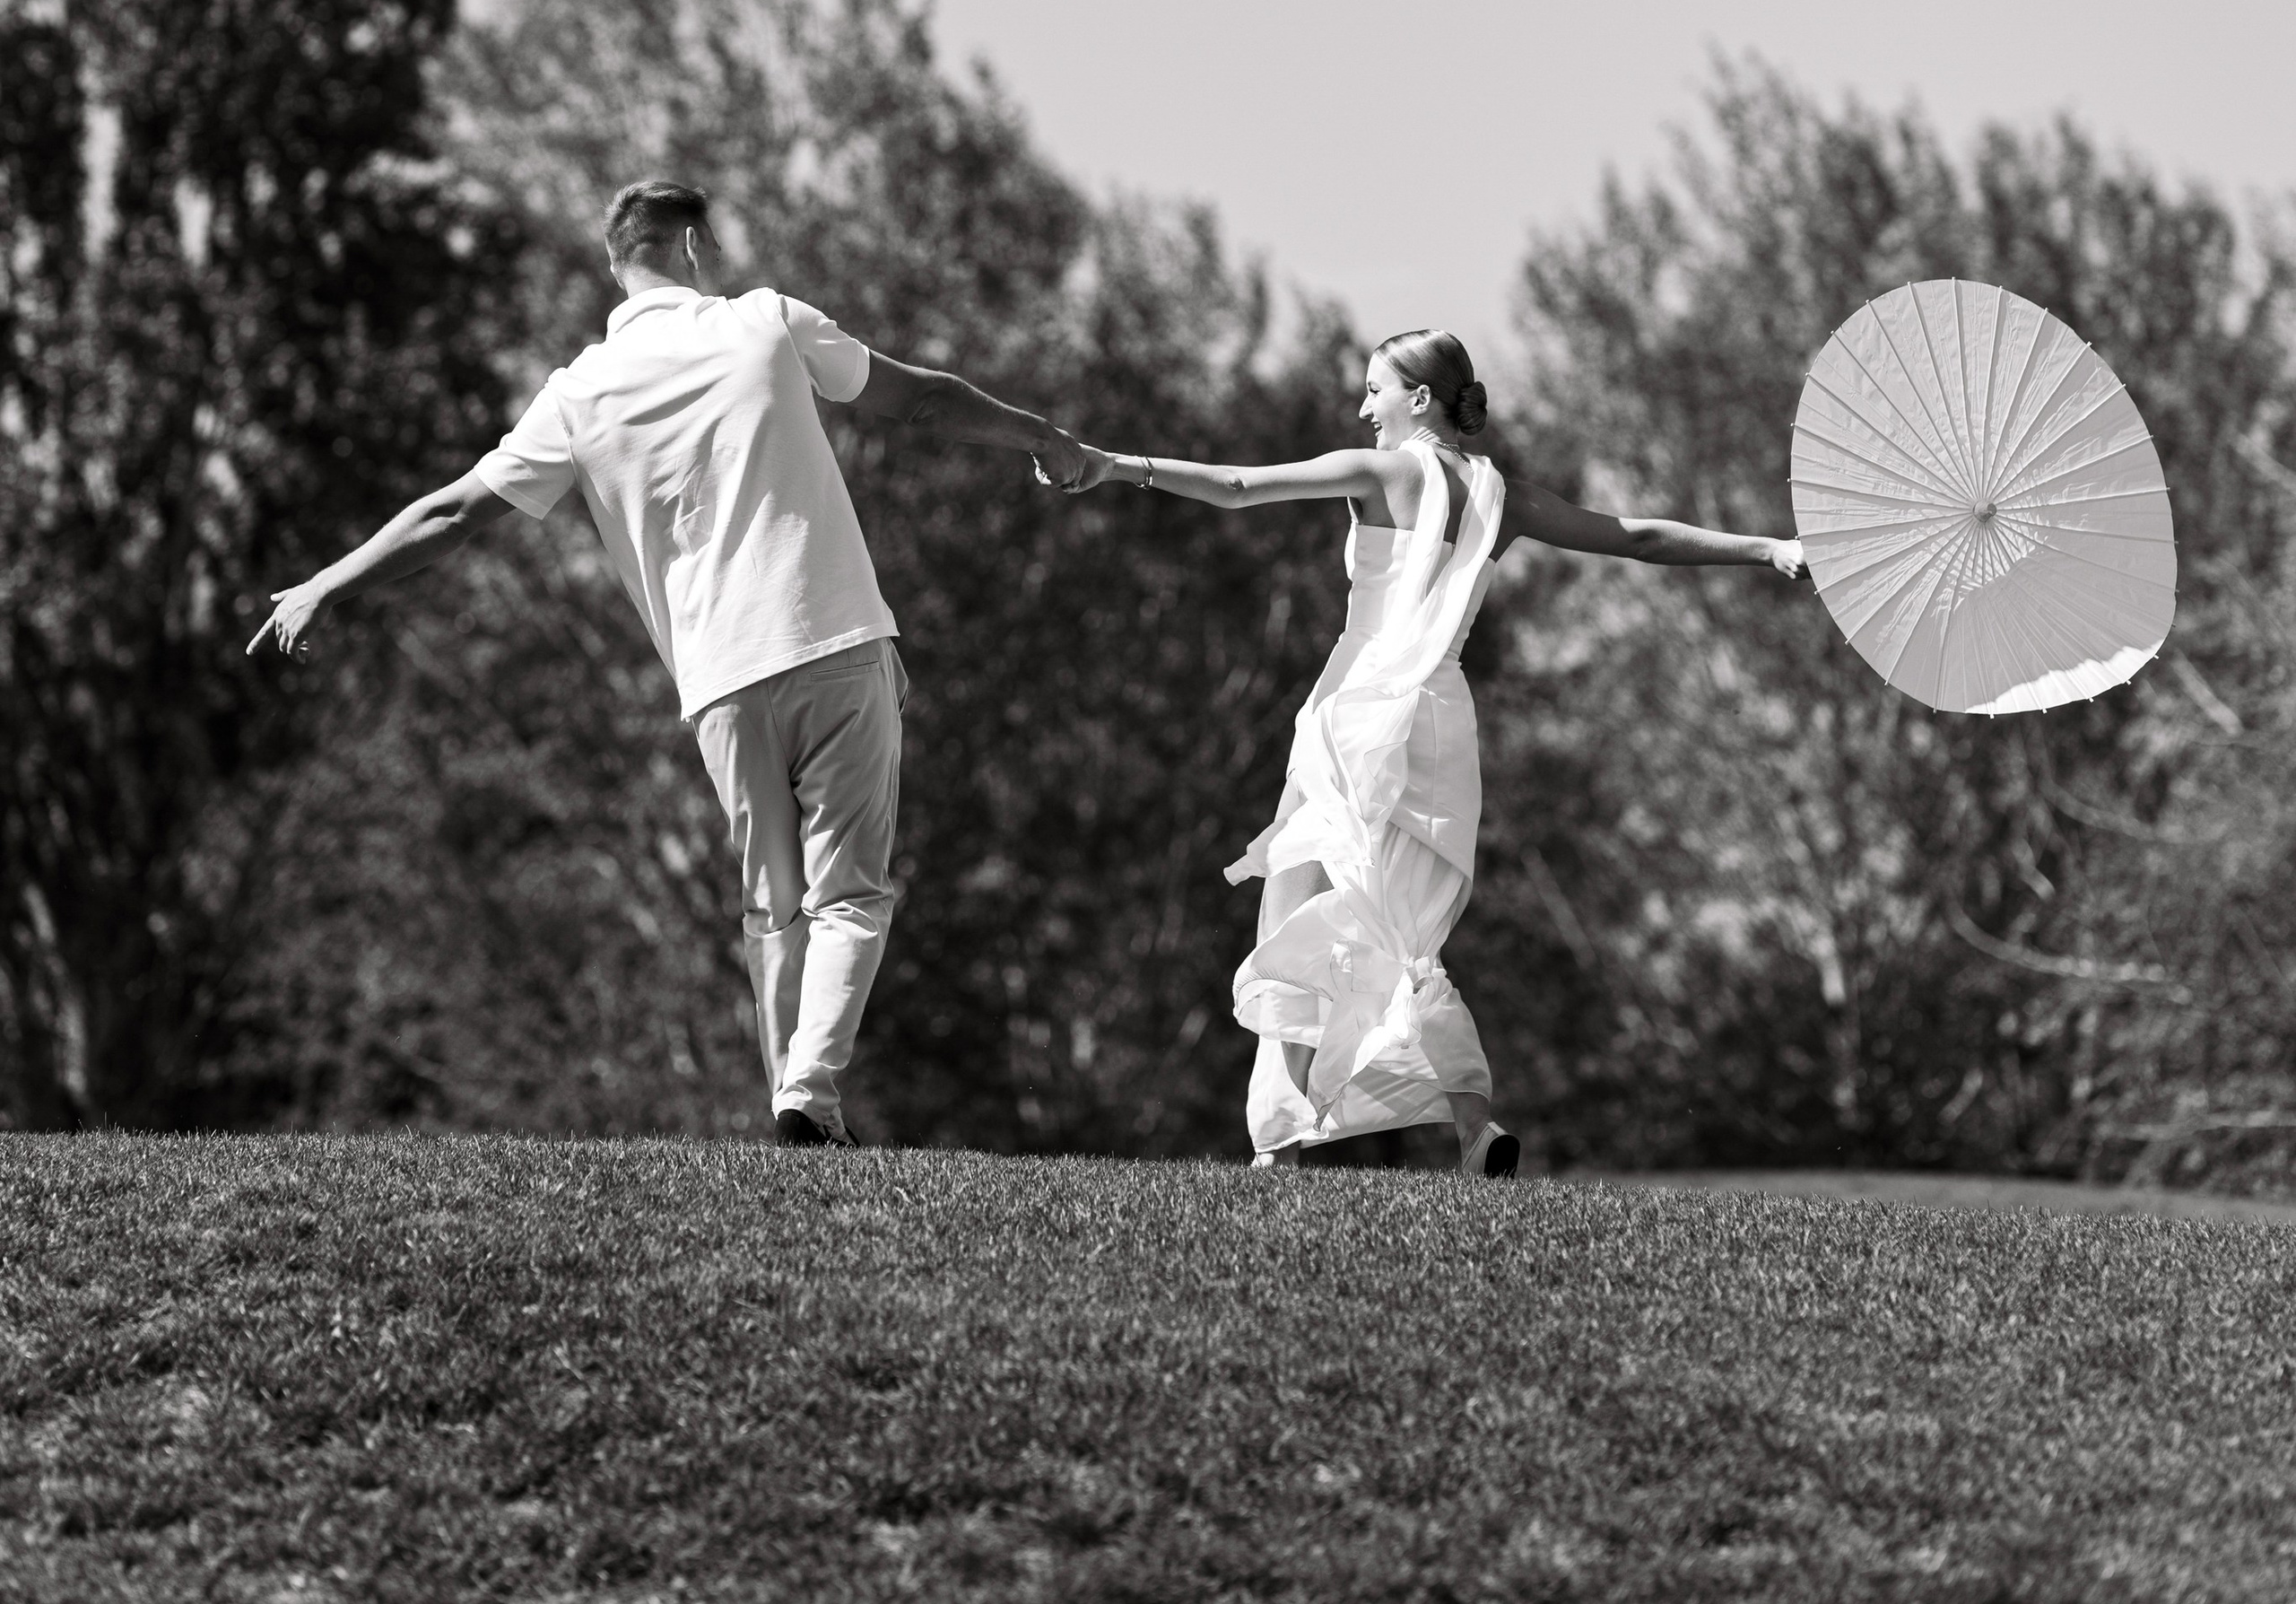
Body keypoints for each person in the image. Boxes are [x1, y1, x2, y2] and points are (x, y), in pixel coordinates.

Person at [248, 178, 1089, 1146]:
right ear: (692, 247)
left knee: (771, 900)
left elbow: (450, 515)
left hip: (721, 684)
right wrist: (1040, 436)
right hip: (835, 639)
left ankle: (798, 1112)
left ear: (617, 263)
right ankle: (805, 1096)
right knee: (851, 888)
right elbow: (925, 405)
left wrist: (324, 584)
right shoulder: (767, 320)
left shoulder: (577, 394)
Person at [1068, 327, 1805, 1175]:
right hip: (1440, 716)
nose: (1362, 407)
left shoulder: (1381, 472)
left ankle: (1281, 1140)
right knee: (1406, 932)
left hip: (1358, 709)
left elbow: (1237, 487)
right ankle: (1470, 1129)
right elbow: (1637, 536)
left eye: (1374, 390)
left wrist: (1117, 463)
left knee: (1296, 896)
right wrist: (1768, 548)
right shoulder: (1504, 497)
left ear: (1419, 399)